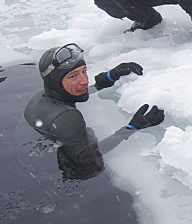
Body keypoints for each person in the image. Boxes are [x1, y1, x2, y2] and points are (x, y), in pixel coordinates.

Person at [23, 43, 164, 177]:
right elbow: (89, 157)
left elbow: (72, 95)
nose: (84, 81)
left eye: (83, 71)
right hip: (69, 171)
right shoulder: (67, 117)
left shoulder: (44, 95)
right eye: (73, 76)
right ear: (55, 81)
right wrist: (132, 127)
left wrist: (106, 79)